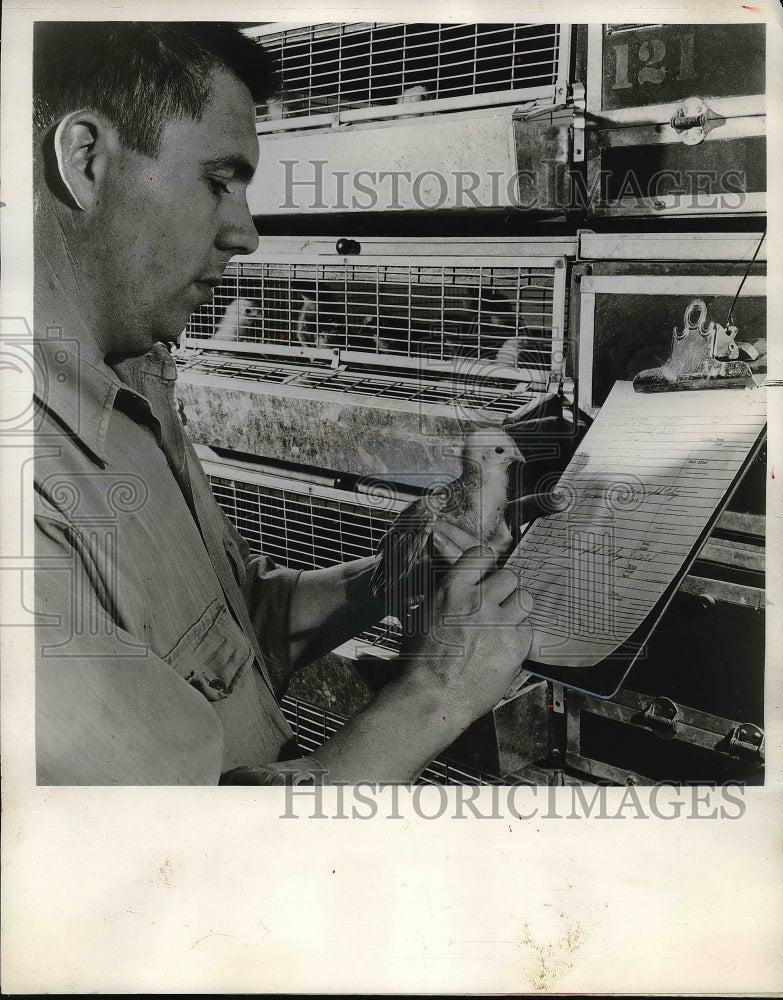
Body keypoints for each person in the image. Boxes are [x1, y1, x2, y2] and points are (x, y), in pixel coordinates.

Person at [33, 21, 534, 785]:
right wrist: (438, 689)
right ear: (86, 160)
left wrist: (395, 577)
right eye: (218, 181)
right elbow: (186, 863)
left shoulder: (131, 386)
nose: (246, 232)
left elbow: (236, 632)